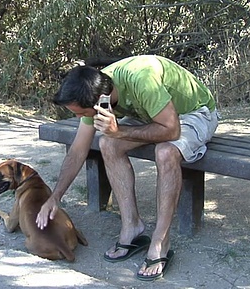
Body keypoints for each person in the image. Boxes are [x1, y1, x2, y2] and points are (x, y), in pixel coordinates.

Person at [36, 55, 219, 281]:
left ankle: (161, 241)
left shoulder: (142, 80)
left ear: (102, 100)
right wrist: (55, 197)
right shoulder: (93, 89)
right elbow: (77, 150)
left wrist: (119, 131)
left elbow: (171, 130)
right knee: (107, 143)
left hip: (194, 113)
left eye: (82, 113)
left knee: (165, 151)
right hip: (154, 116)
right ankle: (131, 227)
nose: (79, 118)